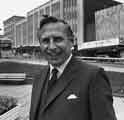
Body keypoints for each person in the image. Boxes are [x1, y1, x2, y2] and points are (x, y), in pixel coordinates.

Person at [30, 16, 117, 120]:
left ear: (72, 41)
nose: (52, 46)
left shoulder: (93, 76)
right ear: (40, 45)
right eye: (45, 41)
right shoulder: (39, 77)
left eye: (58, 39)